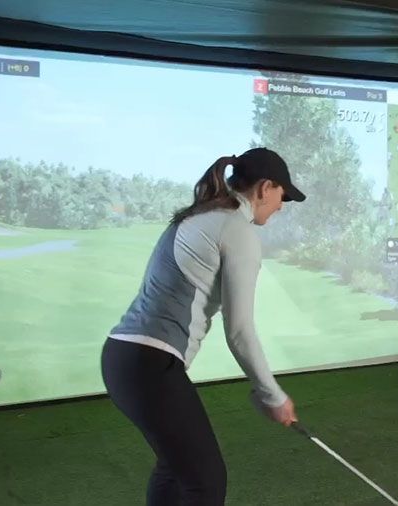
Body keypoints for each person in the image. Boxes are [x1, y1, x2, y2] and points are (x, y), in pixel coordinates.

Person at [101, 147, 306, 505]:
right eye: (281, 195)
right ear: (264, 188)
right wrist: (273, 395)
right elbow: (239, 330)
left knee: (175, 467)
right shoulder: (236, 230)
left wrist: (264, 393)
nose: (281, 204)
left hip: (122, 358)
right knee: (206, 482)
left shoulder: (200, 217)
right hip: (150, 363)